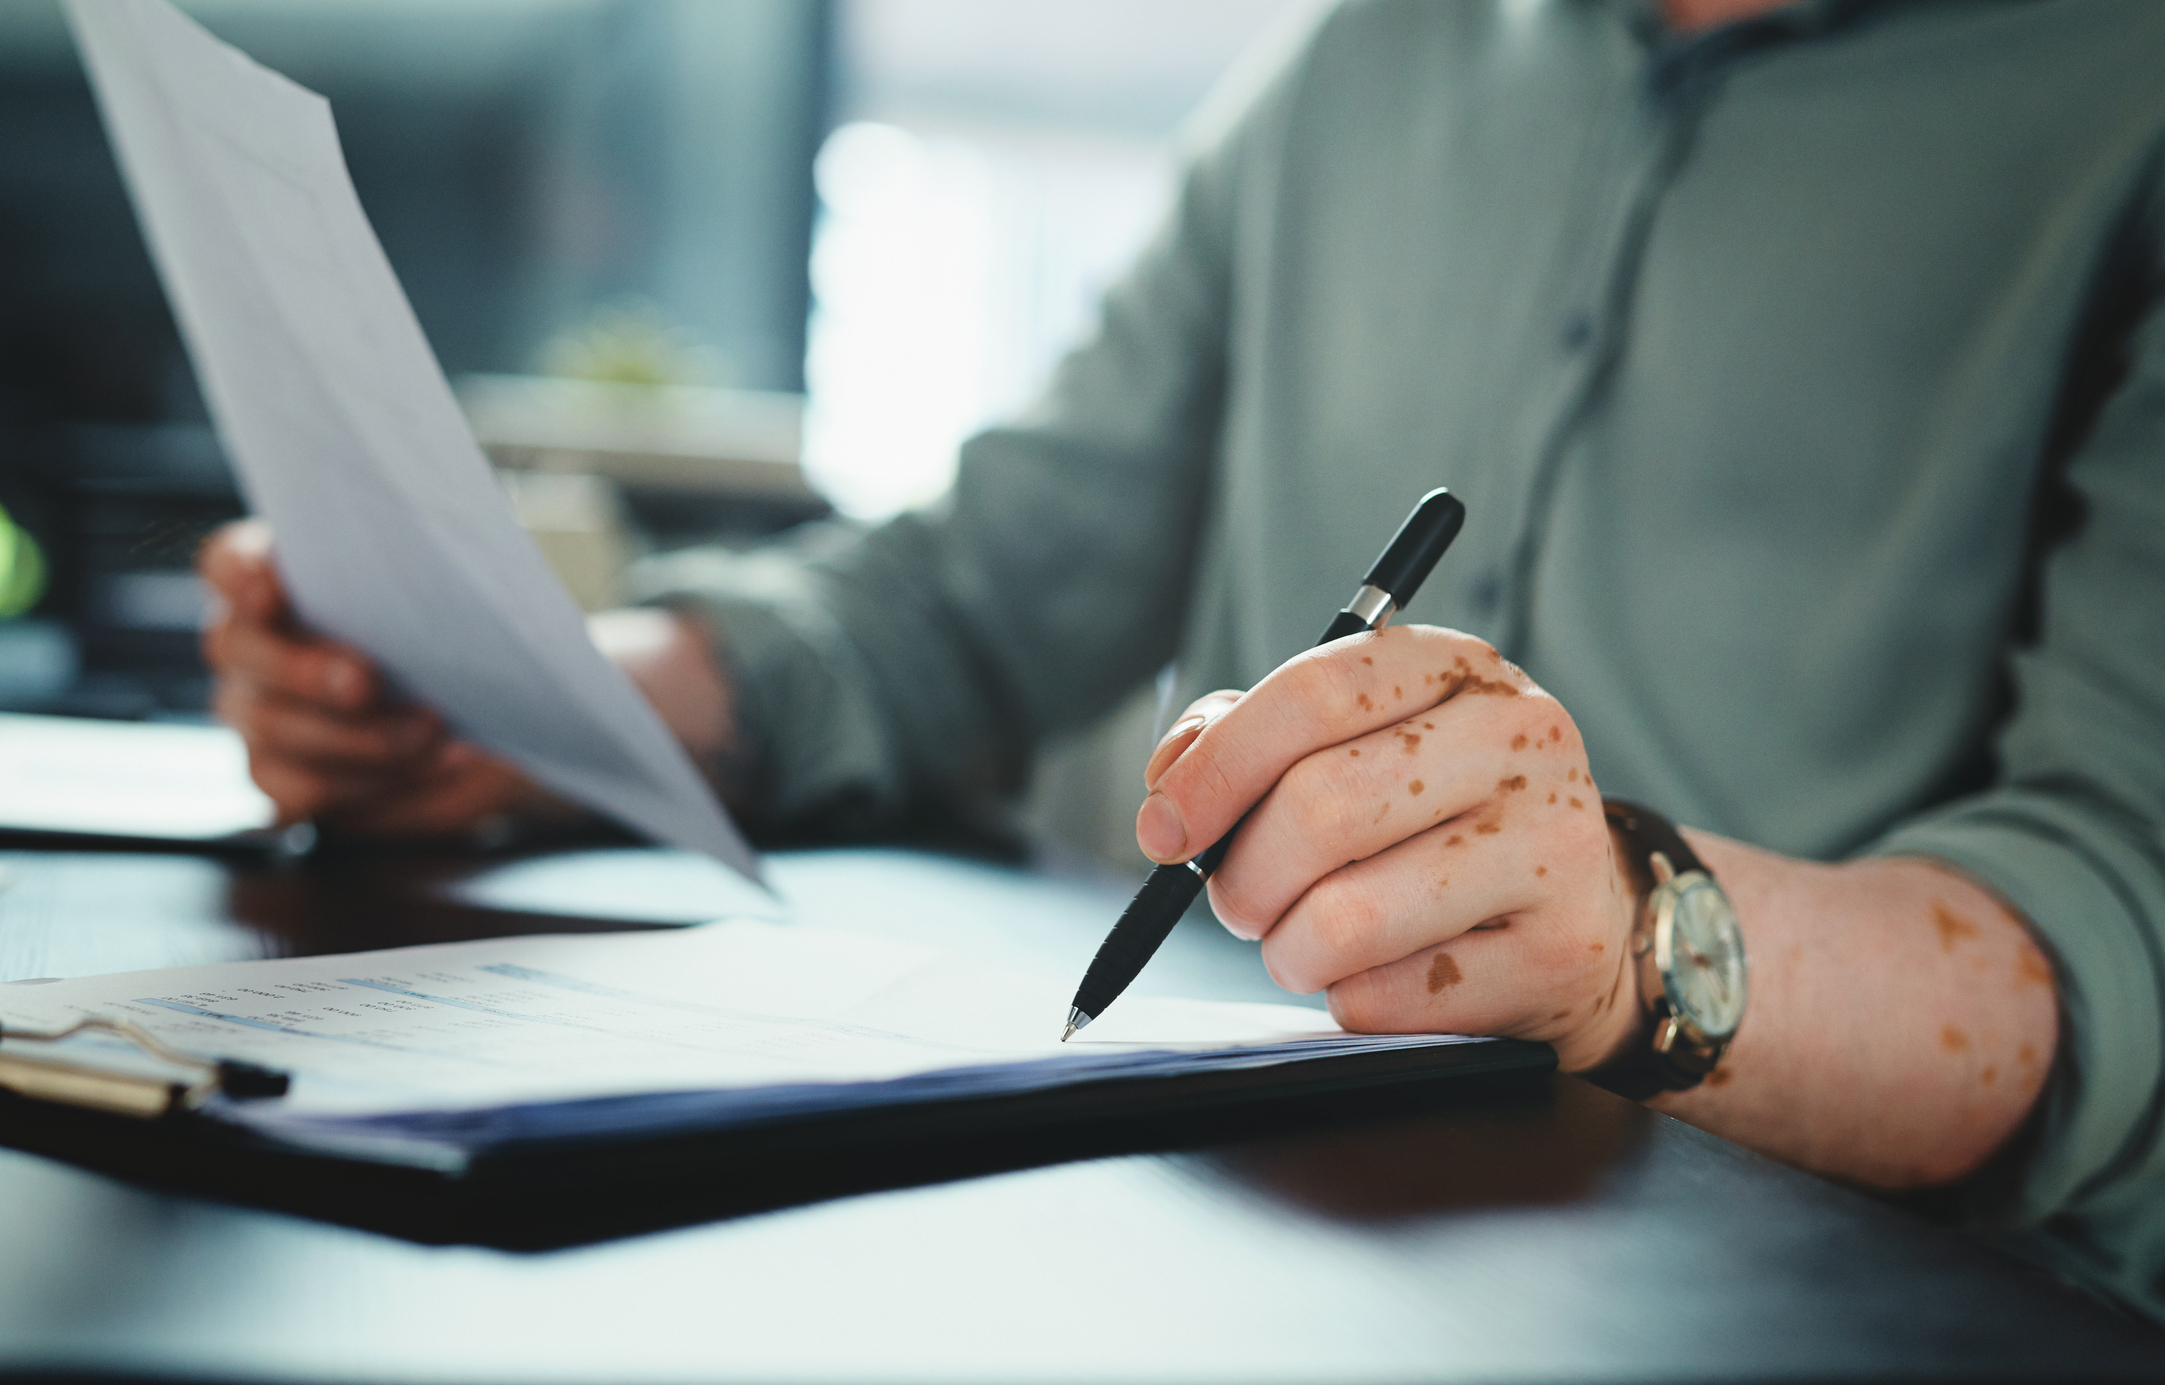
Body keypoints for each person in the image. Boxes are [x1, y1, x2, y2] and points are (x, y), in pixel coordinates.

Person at [199, 0, 2165, 1319]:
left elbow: (2112, 935)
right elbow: (967, 596)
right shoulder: (1358, 60)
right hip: (1302, 1268)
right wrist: (531, 705)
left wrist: (1631, 935)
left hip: (1851, 1309)